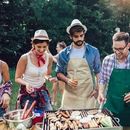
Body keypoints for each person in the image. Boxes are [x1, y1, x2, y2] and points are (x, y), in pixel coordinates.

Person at [56, 19, 101, 109]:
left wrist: (97, 89)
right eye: (76, 36)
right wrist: (67, 80)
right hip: (70, 94)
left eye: (81, 35)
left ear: (84, 34)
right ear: (70, 37)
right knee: (68, 120)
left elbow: (98, 72)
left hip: (87, 93)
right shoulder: (63, 54)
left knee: (87, 120)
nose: (79, 39)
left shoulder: (93, 51)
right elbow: (58, 73)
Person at [15, 29, 56, 112]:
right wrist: (26, 84)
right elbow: (17, 78)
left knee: (49, 114)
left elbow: (47, 74)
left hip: (41, 91)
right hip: (27, 92)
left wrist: (50, 78)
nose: (41, 50)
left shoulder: (49, 58)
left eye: (44, 47)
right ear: (33, 44)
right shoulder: (25, 58)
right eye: (39, 47)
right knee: (29, 118)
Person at [98, 32, 130, 129]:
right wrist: (100, 92)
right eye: (115, 48)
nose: (117, 52)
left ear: (128, 45)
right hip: (111, 108)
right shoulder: (107, 60)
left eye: (121, 49)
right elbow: (102, 79)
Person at [51, 41, 66, 106]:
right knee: (54, 89)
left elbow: (55, 60)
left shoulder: (64, 54)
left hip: (62, 74)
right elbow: (52, 57)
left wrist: (47, 51)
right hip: (57, 74)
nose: (56, 49)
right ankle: (53, 102)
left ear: (61, 48)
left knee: (62, 89)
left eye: (57, 47)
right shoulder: (59, 54)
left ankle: (65, 103)